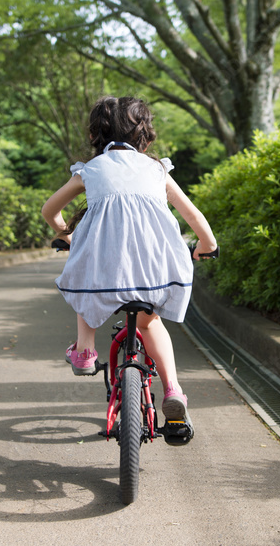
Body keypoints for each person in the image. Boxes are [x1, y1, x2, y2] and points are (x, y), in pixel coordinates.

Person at [41, 96, 217, 421]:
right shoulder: (156, 169)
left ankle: (84, 352)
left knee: (87, 288)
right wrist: (207, 244)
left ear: (97, 134)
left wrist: (66, 234)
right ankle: (174, 390)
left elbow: (49, 209)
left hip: (104, 274)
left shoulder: (90, 170)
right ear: (145, 134)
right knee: (151, 324)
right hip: (157, 270)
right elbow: (193, 216)